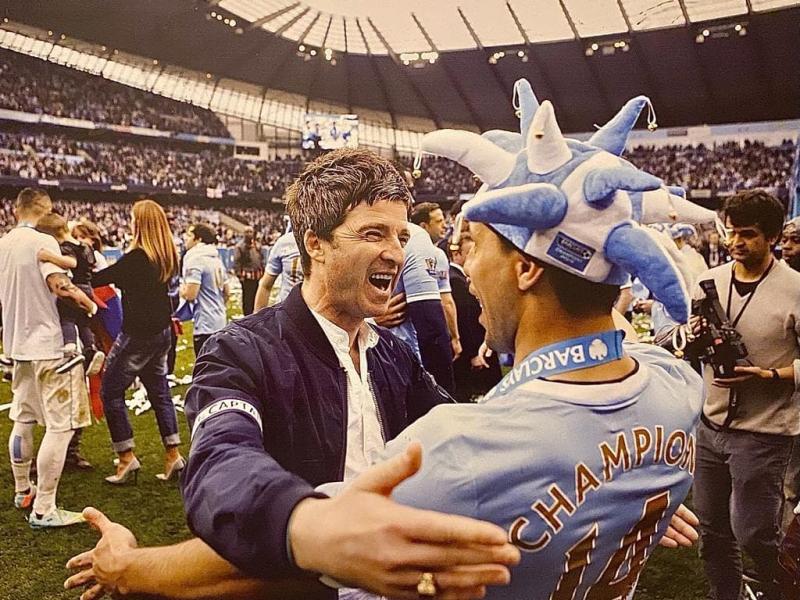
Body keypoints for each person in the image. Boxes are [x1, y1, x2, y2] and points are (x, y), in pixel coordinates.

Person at [65, 149, 521, 600]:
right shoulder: (240, 350)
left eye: (401, 236)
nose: (395, 253)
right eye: (374, 233)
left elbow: (456, 432)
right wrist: (312, 525)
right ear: (315, 244)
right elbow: (220, 464)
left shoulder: (391, 356)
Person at [689, 190, 800, 600]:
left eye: (748, 234)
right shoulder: (712, 281)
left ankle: (783, 587)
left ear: (772, 237)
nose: (735, 242)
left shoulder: (795, 288)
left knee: (755, 534)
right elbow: (692, 341)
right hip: (711, 424)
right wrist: (693, 341)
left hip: (765, 429)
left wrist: (768, 375)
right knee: (712, 530)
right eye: (731, 232)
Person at [0, 187, 95, 528]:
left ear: (16, 209)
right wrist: (89, 304)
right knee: (61, 425)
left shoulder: (3, 244)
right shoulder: (45, 242)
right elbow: (59, 285)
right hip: (51, 346)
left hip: (16, 346)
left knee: (22, 418)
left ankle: (23, 489)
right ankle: (44, 508)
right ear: (46, 210)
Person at [93, 199, 185, 484]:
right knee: (159, 393)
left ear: (139, 224)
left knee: (110, 391)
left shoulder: (135, 258)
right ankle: (173, 454)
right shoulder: (166, 254)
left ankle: (126, 456)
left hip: (138, 333)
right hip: (161, 333)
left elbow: (99, 278)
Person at [35, 213, 104, 376]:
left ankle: (70, 349)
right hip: (88, 287)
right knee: (83, 323)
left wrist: (49, 256)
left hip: (76, 287)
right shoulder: (86, 247)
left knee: (66, 318)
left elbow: (71, 262)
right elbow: (91, 262)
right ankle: (90, 350)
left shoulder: (66, 247)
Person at [446, 217, 501, 402]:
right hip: (474, 352)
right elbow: (465, 322)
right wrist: (472, 353)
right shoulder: (455, 280)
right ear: (456, 254)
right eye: (469, 253)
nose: (472, 259)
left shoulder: (460, 278)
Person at [412, 202, 461, 361]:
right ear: (424, 226)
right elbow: (446, 302)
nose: (444, 225)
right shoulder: (436, 254)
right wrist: (455, 338)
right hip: (429, 338)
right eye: (439, 221)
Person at [180, 223, 229, 356]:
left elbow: (191, 294)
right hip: (220, 319)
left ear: (198, 239)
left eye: (189, 235)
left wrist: (181, 290)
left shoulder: (195, 258)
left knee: (204, 369)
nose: (186, 238)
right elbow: (227, 292)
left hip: (205, 324)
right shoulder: (216, 258)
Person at [254, 224, 303, 311]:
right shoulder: (285, 242)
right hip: (288, 313)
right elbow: (265, 285)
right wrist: (258, 319)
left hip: (324, 317)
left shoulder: (330, 241)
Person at [233, 225, 264, 316]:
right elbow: (237, 262)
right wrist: (239, 275)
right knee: (247, 297)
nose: (249, 234)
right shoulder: (239, 246)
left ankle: (254, 314)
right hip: (246, 276)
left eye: (250, 232)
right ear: (243, 233)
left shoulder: (257, 245)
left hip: (256, 275)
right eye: (247, 232)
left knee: (255, 295)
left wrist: (263, 269)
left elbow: (261, 258)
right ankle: (247, 315)